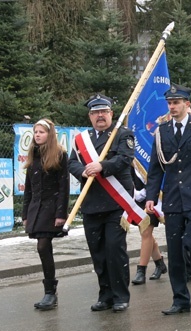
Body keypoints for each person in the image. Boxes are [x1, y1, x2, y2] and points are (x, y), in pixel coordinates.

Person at [145, 84, 191, 314]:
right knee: (175, 251)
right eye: (170, 103)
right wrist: (151, 196)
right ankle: (180, 299)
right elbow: (156, 168)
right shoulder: (163, 131)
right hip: (173, 199)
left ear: (187, 104)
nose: (172, 107)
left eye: (176, 103)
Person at [68, 94, 134, 312]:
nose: (100, 116)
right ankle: (105, 294)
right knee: (98, 252)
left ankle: (120, 296)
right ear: (90, 116)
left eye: (104, 112)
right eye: (96, 113)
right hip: (92, 203)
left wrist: (101, 166)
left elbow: (125, 159)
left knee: (115, 249)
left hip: (117, 203)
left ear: (111, 114)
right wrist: (85, 172)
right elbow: (72, 163)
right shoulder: (81, 140)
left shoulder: (122, 134)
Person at [23, 118, 69, 311]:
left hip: (51, 209)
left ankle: (50, 292)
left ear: (49, 134)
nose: (38, 135)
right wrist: (25, 214)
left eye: (41, 132)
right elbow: (29, 189)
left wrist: (61, 213)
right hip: (36, 209)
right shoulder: (33, 154)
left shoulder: (59, 154)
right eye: (36, 132)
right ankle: (50, 292)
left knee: (43, 246)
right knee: (43, 248)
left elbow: (63, 186)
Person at [130, 170, 167, 284]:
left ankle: (141, 270)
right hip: (137, 196)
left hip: (153, 195)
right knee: (145, 233)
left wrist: (147, 191)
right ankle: (159, 263)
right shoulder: (130, 153)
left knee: (146, 233)